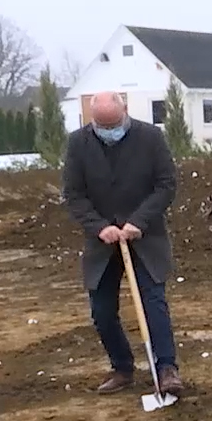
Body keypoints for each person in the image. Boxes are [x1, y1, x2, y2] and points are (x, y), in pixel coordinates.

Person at [62, 91, 183, 397]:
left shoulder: (151, 138)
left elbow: (166, 184)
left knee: (153, 303)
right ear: (92, 121)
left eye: (114, 124)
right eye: (102, 126)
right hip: (102, 242)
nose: (109, 131)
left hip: (146, 236)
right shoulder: (78, 144)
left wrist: (138, 222)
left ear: (125, 111)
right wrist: (99, 227)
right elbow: (74, 194)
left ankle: (167, 368)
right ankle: (122, 367)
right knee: (101, 310)